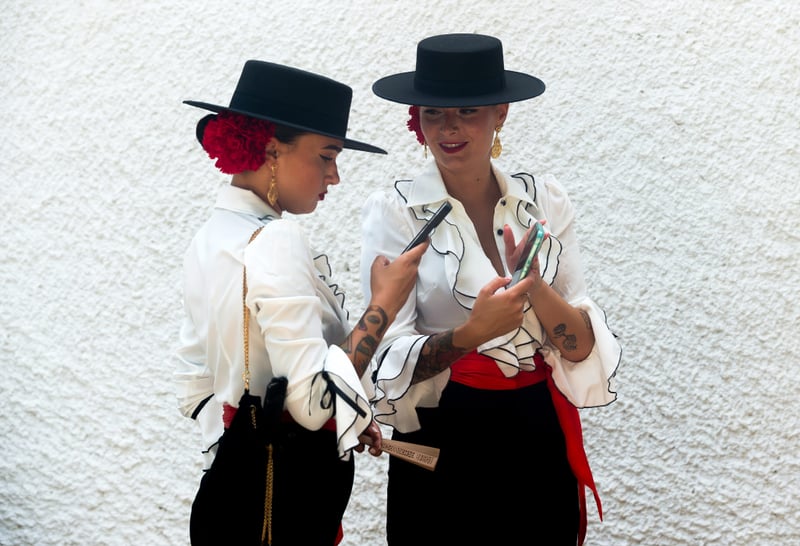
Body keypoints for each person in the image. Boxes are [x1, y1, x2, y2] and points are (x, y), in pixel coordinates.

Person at [360, 34, 621, 546]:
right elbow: (386, 357)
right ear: (418, 119)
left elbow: (580, 347)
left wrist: (534, 286)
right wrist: (472, 334)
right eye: (434, 113)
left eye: (467, 111)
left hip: (537, 428)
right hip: (440, 432)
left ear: (500, 113)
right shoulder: (396, 212)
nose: (449, 127)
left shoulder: (544, 201)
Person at [175, 60, 427, 545]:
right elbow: (313, 406)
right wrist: (385, 305)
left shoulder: (209, 237)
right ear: (272, 150)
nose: (335, 176)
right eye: (326, 156)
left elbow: (194, 386)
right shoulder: (276, 239)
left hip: (227, 498)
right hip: (286, 505)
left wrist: (241, 443)